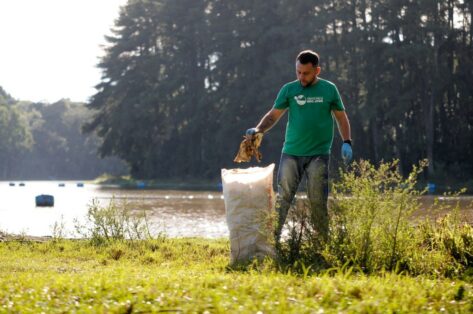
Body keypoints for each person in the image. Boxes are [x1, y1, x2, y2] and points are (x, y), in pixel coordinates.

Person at [245, 49, 352, 245]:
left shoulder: (329, 89)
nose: (301, 77)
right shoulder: (289, 89)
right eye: (298, 72)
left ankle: (322, 245)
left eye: (306, 73)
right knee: (283, 198)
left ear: (317, 70)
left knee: (318, 201)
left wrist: (347, 142)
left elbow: (341, 117)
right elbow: (273, 115)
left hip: (319, 155)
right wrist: (259, 129)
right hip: (291, 153)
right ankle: (272, 242)